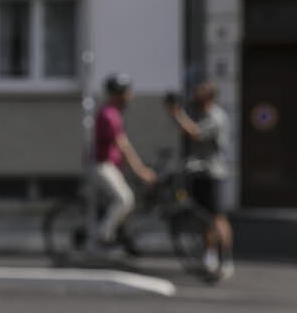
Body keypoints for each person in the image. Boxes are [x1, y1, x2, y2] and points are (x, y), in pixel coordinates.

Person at [167, 81, 233, 278]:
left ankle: (226, 258)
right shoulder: (198, 114)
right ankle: (210, 254)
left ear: (210, 96)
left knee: (217, 217)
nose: (195, 95)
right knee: (203, 217)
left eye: (200, 92)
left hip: (213, 173)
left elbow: (196, 133)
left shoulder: (216, 116)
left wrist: (178, 114)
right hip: (198, 173)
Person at [93, 74, 156, 249]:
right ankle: (103, 237)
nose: (131, 95)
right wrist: (141, 170)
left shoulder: (112, 113)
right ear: (118, 94)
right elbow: (123, 145)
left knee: (124, 200)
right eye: (127, 92)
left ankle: (119, 235)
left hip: (111, 165)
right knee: (125, 199)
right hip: (102, 165)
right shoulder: (109, 115)